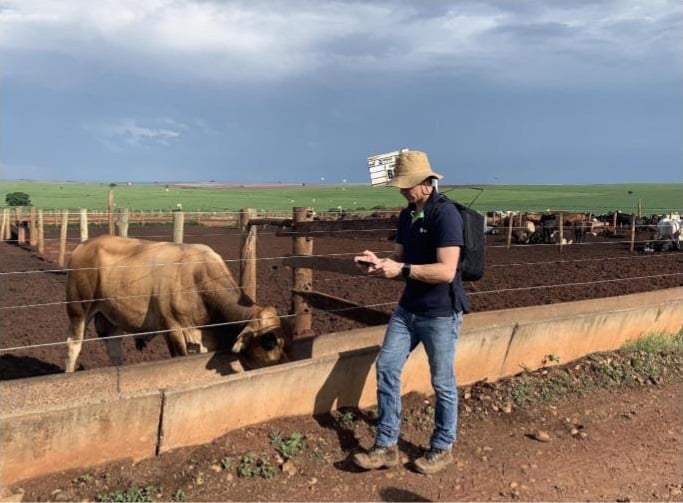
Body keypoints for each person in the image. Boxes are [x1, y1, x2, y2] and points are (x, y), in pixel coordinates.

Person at [352, 150, 468, 475]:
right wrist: (378, 263)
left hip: (440, 313)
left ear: (426, 183)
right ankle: (386, 445)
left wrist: (401, 269)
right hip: (408, 309)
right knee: (387, 367)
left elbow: (446, 271)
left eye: (407, 185)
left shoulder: (446, 216)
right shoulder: (407, 216)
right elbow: (399, 256)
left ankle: (443, 447)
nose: (402, 190)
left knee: (442, 382)